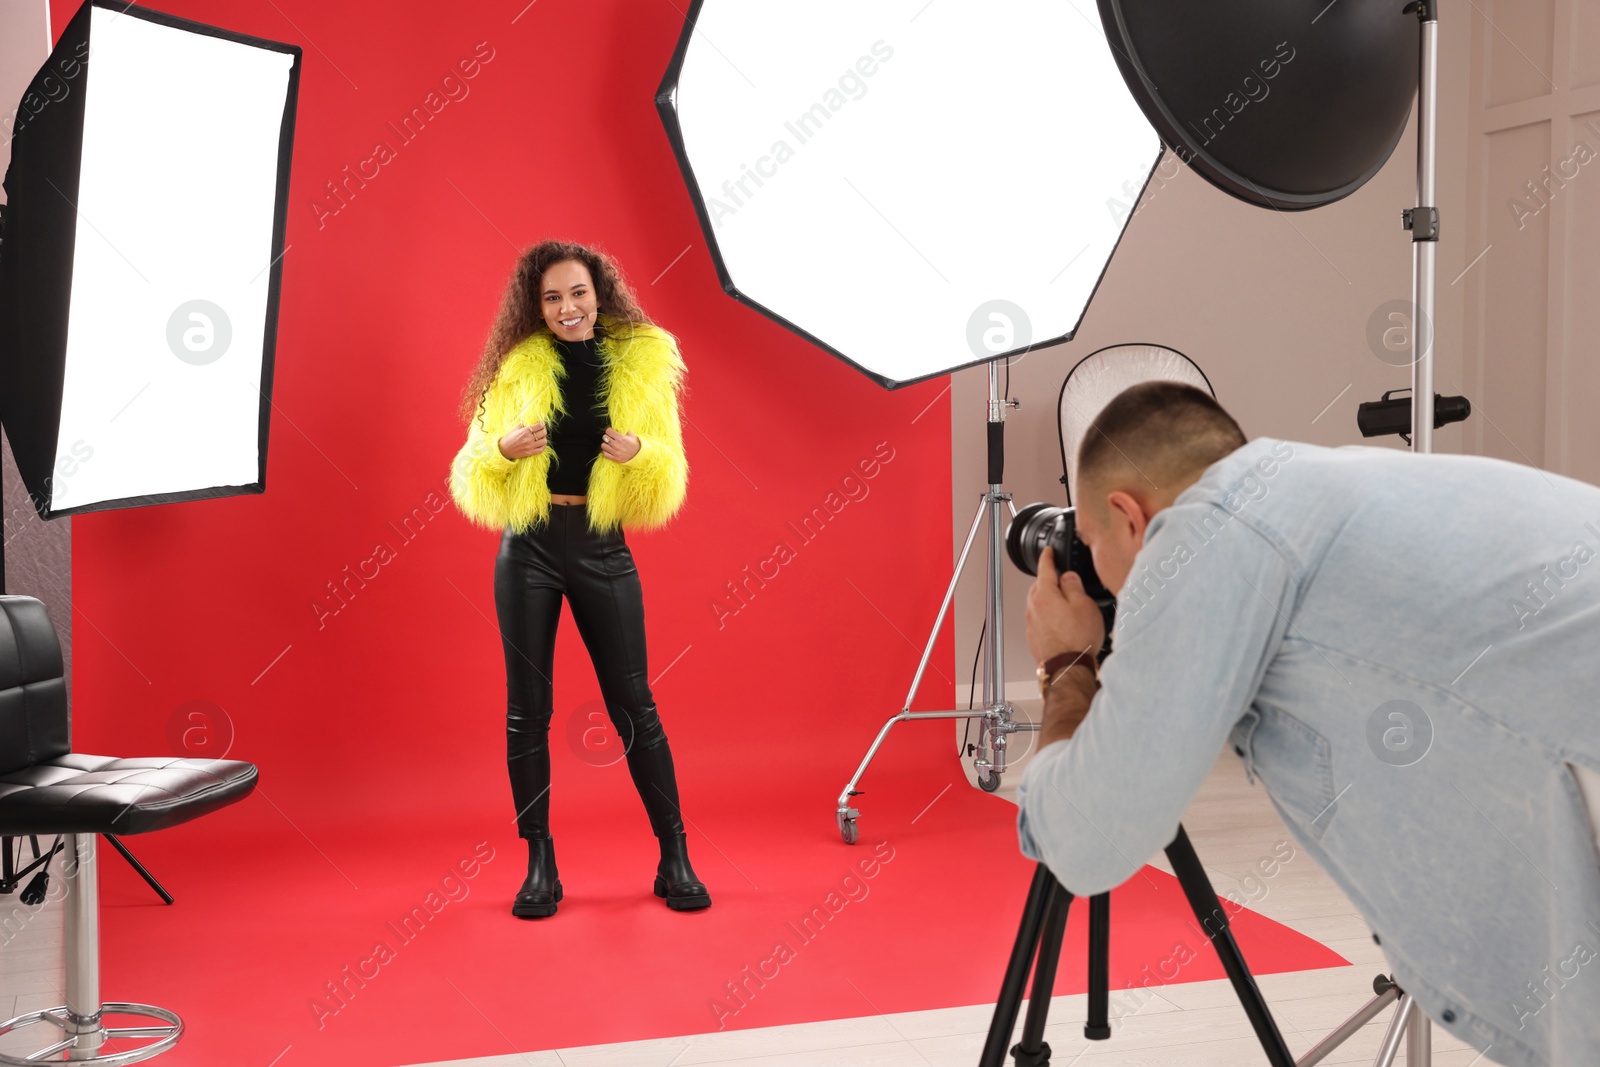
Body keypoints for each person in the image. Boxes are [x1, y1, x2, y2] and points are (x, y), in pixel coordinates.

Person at [1015, 380, 1600, 1067]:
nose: (1102, 578)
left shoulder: (1209, 529)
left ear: (1130, 516)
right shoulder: (1325, 484)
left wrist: (1066, 662)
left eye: (1089, 545)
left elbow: (1087, 841)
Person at [448, 240, 710, 918]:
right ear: (537, 308)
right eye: (553, 298)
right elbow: (471, 465)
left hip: (601, 546)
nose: (568, 307)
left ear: (601, 294)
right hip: (528, 547)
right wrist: (504, 450)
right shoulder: (517, 368)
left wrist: (641, 451)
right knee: (525, 711)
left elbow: (672, 469)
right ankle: (540, 863)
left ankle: (674, 853)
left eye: (579, 293)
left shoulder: (643, 362)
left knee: (633, 704)